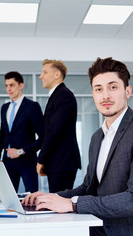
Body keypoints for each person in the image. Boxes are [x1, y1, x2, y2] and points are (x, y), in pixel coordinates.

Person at [23, 57, 133, 236]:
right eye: (98, 89)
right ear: (93, 94)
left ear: (127, 91)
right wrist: (54, 197)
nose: (105, 96)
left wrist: (72, 204)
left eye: (113, 87)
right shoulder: (97, 137)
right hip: (103, 226)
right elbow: (88, 187)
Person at [0, 71, 43, 193]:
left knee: (31, 197)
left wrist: (20, 151)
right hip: (8, 162)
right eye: (6, 85)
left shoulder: (32, 106)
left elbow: (43, 137)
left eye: (12, 85)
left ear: (21, 85)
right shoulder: (5, 108)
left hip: (27, 161)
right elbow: (3, 133)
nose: (8, 89)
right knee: (8, 197)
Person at [37, 59, 81, 193]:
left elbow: (53, 131)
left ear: (57, 74)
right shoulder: (57, 96)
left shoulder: (63, 95)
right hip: (58, 162)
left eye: (45, 72)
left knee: (60, 208)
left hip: (62, 162)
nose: (41, 76)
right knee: (58, 206)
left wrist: (41, 159)